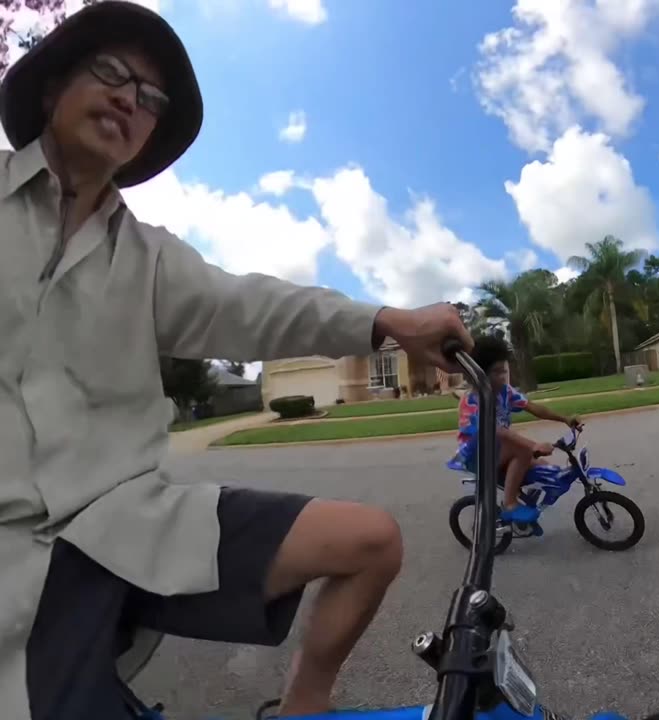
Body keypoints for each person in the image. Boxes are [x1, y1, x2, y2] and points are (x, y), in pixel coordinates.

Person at [0, 4, 473, 718]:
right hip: (16, 561)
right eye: (111, 73)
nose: (131, 98)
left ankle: (302, 708)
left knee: (370, 542)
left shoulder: (151, 258)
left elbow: (255, 306)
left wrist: (386, 322)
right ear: (49, 89)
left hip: (127, 517)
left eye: (151, 98)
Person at [454, 335, 581, 527]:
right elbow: (497, 431)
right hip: (476, 455)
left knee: (543, 466)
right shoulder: (473, 400)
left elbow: (533, 407)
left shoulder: (505, 392)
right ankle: (510, 503)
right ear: (478, 374)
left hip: (498, 450)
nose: (503, 377)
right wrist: (533, 445)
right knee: (522, 450)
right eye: (496, 372)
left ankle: (525, 499)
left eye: (503, 371)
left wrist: (564, 419)